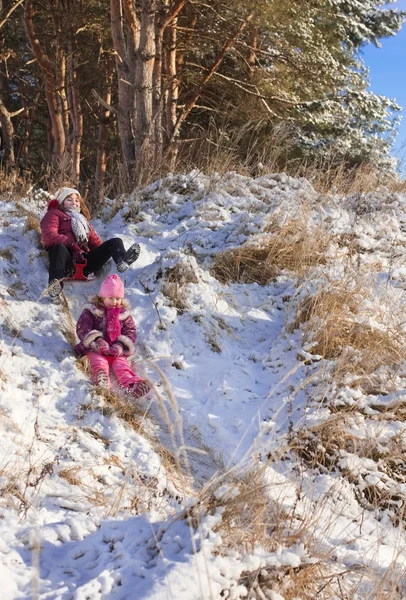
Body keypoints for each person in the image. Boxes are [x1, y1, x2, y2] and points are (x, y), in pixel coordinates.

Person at [41, 187, 141, 303]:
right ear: (61, 202)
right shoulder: (54, 214)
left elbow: (95, 242)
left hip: (85, 262)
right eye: (69, 199)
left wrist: (102, 252)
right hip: (66, 261)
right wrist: (72, 245)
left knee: (115, 242)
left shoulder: (83, 220)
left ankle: (122, 260)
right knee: (58, 247)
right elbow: (49, 235)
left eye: (77, 200)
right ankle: (55, 286)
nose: (74, 202)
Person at [75, 274, 151, 399]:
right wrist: (97, 340)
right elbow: (82, 327)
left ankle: (133, 385)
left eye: (118, 298)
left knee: (122, 366)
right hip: (96, 349)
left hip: (116, 352)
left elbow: (130, 332)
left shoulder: (124, 315)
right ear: (102, 297)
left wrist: (120, 345)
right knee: (99, 362)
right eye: (110, 298)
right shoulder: (92, 311)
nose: (115, 302)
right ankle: (101, 380)